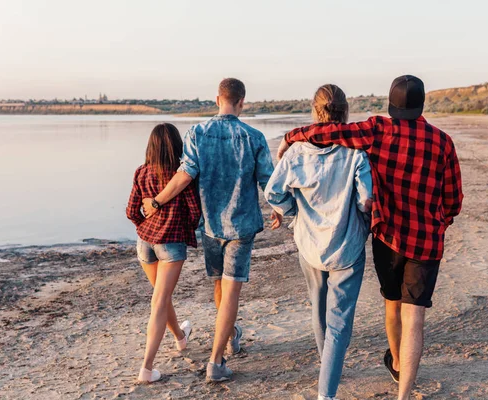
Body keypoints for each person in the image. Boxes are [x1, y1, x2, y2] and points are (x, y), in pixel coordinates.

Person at [278, 75, 464, 400]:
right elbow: (453, 202)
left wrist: (291, 137)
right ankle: (404, 392)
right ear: (422, 104)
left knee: (392, 307)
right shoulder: (443, 142)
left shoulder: (378, 129)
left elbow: (330, 131)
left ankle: (395, 361)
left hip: (389, 239)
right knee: (415, 318)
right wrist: (438, 224)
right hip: (426, 244)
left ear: (391, 104)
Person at [142, 78, 283, 382]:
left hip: (210, 225)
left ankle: (229, 339)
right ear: (241, 102)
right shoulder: (254, 136)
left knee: (219, 286)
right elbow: (267, 181)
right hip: (242, 225)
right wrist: (278, 207)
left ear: (217, 99)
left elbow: (184, 175)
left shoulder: (198, 132)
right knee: (231, 290)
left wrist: (156, 201)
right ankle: (216, 360)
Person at [265, 84, 376, 400]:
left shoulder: (297, 153)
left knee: (318, 304)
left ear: (315, 111)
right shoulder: (355, 153)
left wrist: (294, 212)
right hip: (346, 246)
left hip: (310, 245)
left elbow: (273, 192)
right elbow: (366, 199)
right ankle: (326, 393)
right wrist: (360, 220)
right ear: (345, 112)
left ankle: (328, 361)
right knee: (339, 320)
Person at [126, 123, 201, 383]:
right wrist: (179, 229)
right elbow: (194, 213)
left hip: (144, 243)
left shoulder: (141, 172)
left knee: (162, 296)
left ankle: (181, 338)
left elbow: (131, 211)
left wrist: (145, 226)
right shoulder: (181, 177)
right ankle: (146, 369)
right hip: (170, 244)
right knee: (159, 300)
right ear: (176, 146)